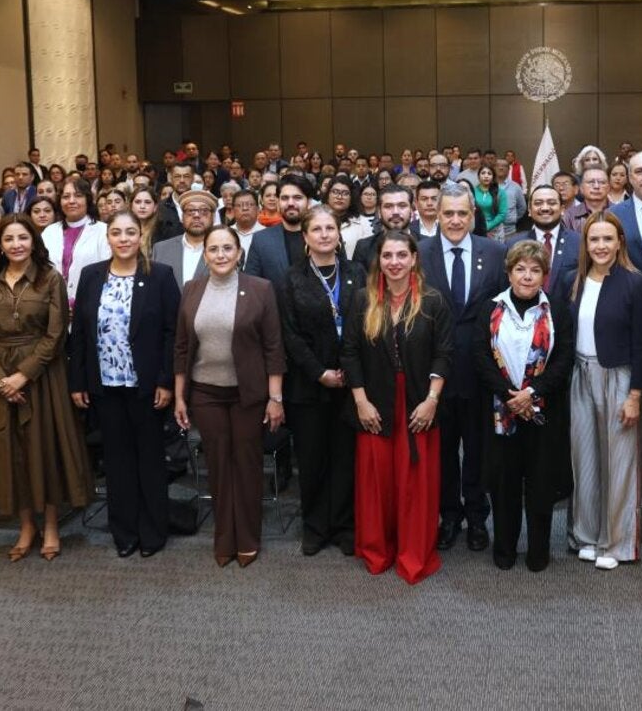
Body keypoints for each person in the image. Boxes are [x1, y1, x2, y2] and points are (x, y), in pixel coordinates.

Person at [0, 215, 91, 561]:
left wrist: (23, 376)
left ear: (33, 242)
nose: (16, 245)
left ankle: (51, 523)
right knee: (13, 453)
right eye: (8, 239)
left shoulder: (50, 278)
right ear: (0, 245)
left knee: (45, 450)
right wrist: (0, 380)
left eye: (22, 238)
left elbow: (57, 334)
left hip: (43, 377)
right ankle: (26, 525)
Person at [340, 229, 451, 584]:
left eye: (401, 255)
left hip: (419, 401)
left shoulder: (433, 301)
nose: (394, 262)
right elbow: (350, 352)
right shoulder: (362, 299)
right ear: (379, 261)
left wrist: (432, 401)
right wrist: (360, 401)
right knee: (377, 481)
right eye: (387, 256)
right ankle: (378, 549)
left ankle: (413, 552)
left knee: (414, 483)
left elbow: (444, 354)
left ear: (414, 258)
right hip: (374, 401)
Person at [173, 224, 286, 568]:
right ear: (205, 255)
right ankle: (225, 536)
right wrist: (180, 397)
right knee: (218, 466)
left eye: (227, 248)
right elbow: (181, 347)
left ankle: (248, 536)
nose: (220, 255)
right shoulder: (192, 289)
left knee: (247, 465)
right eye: (213, 249)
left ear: (239, 254)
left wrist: (275, 397)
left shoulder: (260, 289)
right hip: (205, 393)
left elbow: (273, 347)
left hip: (248, 394)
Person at [69, 211, 180, 558]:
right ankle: (124, 531)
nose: (123, 239)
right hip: (105, 385)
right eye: (116, 232)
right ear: (108, 237)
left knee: (149, 459)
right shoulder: (91, 276)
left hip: (146, 385)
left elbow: (171, 333)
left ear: (141, 235)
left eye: (131, 232)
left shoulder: (160, 275)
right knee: (116, 462)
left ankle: (152, 530)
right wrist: (78, 381)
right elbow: (81, 334)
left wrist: (166, 381)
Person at [418, 183, 508, 552]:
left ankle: (476, 516)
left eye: (462, 213)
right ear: (435, 215)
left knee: (477, 449)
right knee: (440, 450)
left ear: (473, 215)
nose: (455, 220)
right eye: (448, 213)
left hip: (480, 371)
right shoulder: (419, 254)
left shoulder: (496, 251)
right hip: (433, 370)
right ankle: (448, 516)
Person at [473, 241, 573, 571]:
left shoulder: (557, 309)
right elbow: (481, 358)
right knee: (504, 487)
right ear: (509, 272)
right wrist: (510, 395)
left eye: (534, 270)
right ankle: (504, 548)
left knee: (540, 487)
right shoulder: (491, 309)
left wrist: (532, 393)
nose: (527, 277)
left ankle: (539, 551)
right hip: (502, 413)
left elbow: (563, 359)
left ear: (544, 275)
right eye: (520, 269)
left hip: (543, 413)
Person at [560, 213, 642, 571]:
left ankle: (615, 542)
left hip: (619, 377)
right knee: (584, 460)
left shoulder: (634, 283)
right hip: (579, 376)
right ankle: (585, 535)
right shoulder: (572, 280)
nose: (600, 246)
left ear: (619, 242)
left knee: (619, 462)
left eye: (607, 239)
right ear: (585, 244)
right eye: (593, 240)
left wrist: (635, 395)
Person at [280, 207, 363, 556]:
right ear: (306, 236)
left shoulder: (357, 272)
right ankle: (314, 526)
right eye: (318, 229)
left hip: (351, 383)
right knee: (312, 459)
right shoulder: (290, 278)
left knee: (346, 457)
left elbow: (363, 326)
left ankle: (344, 525)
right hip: (308, 384)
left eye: (331, 228)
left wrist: (348, 370)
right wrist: (320, 372)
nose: (325, 234)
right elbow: (290, 334)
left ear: (340, 234)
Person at [41, 178, 108, 308]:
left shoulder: (103, 231)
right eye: (66, 197)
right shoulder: (49, 232)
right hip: (53, 305)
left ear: (88, 200)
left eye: (78, 196)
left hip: (91, 304)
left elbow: (106, 272)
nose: (71, 201)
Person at [244, 174, 313, 296]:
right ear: (278, 202)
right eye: (285, 198)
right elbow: (251, 285)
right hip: (275, 312)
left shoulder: (325, 236)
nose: (290, 203)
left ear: (309, 202)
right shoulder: (261, 240)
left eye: (297, 197)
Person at [508, 184, 579, 289]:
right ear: (530, 210)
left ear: (562, 209)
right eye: (538, 203)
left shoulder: (578, 242)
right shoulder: (513, 244)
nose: (545, 208)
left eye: (551, 203)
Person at [152, 190, 216, 292]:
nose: (196, 215)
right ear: (182, 217)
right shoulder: (160, 249)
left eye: (203, 211)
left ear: (213, 217)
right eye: (190, 211)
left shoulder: (225, 252)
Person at [473, 164, 508, 243]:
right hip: (477, 228)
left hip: (495, 230)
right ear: (478, 176)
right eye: (483, 173)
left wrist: (487, 226)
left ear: (493, 177)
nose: (486, 176)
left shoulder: (500, 192)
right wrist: (480, 227)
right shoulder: (473, 191)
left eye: (489, 173)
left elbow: (502, 214)